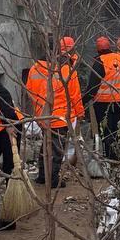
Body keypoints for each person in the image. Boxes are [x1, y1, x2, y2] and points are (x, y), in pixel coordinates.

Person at [26, 37, 85, 189]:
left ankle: (42, 176)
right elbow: (75, 94)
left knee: (45, 146)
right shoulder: (66, 68)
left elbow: (29, 91)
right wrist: (80, 113)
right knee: (57, 150)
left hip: (43, 116)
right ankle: (52, 179)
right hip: (59, 116)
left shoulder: (35, 67)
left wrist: (39, 111)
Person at [84, 36, 120, 161]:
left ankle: (106, 158)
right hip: (118, 102)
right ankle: (115, 156)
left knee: (104, 131)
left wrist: (83, 101)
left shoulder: (99, 62)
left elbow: (93, 87)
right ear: (110, 46)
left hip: (102, 103)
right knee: (115, 130)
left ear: (97, 50)